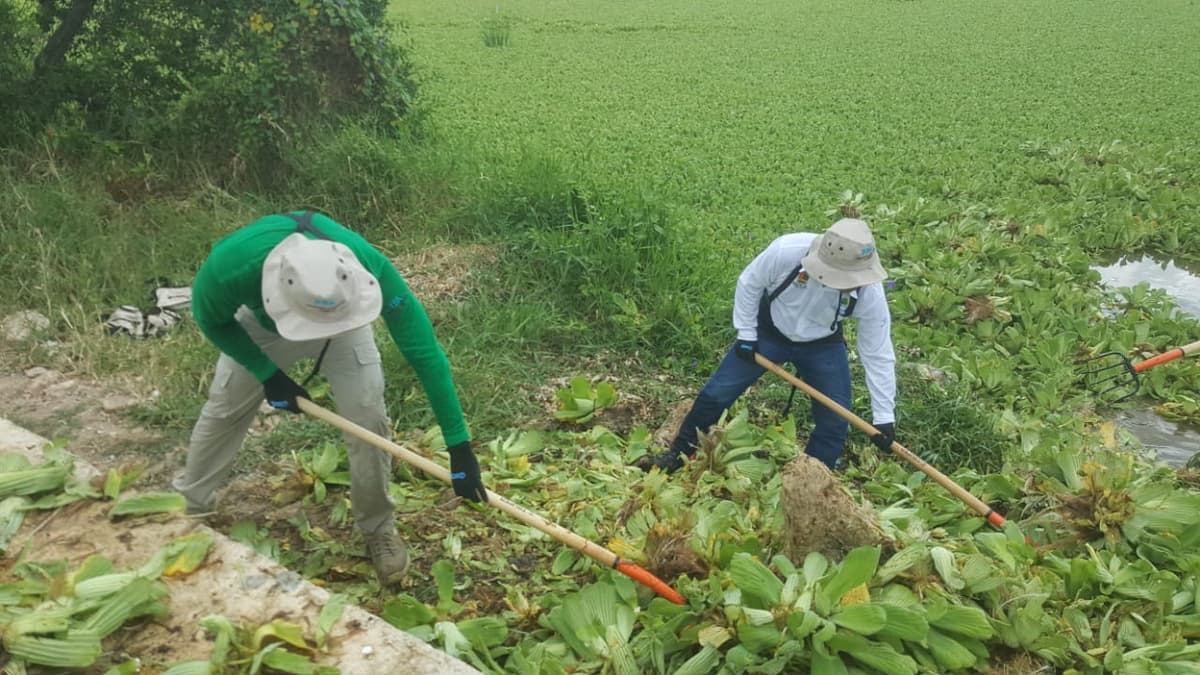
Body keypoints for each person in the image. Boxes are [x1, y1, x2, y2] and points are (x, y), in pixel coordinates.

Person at [173, 210, 487, 586]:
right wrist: (266, 373)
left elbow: (425, 354)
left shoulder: (368, 266)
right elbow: (212, 321)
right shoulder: (232, 265)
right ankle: (191, 508)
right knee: (224, 408)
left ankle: (378, 530)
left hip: (345, 325)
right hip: (264, 326)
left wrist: (459, 445)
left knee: (368, 417)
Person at [647, 218, 897, 474]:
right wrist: (746, 334)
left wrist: (884, 417)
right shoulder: (786, 251)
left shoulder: (870, 293)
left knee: (835, 420)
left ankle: (811, 481)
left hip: (822, 344)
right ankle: (679, 453)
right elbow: (749, 283)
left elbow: (877, 352)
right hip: (768, 332)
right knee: (717, 393)